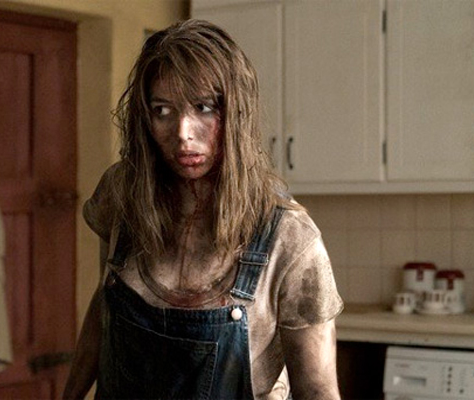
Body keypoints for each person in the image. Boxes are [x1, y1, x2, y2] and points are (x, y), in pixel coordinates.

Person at [63, 19, 343, 400]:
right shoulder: (122, 195)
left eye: (204, 107)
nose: (182, 132)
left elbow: (317, 390)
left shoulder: (290, 238)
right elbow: (105, 308)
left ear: (236, 113)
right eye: (162, 110)